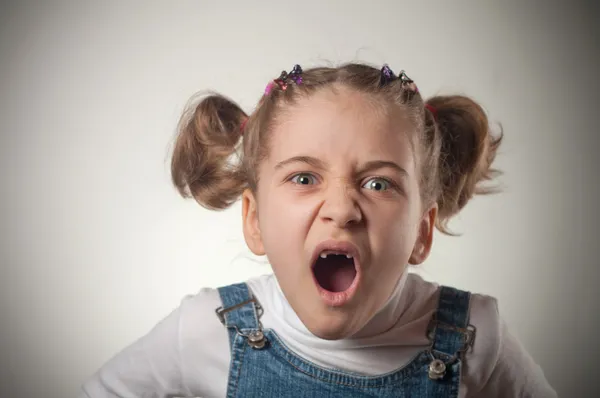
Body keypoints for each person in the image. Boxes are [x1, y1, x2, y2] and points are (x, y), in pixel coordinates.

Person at [80, 62, 557, 397]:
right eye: (304, 178)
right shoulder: (210, 331)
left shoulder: (473, 338)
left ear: (421, 232)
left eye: (378, 183)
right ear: (254, 220)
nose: (342, 209)